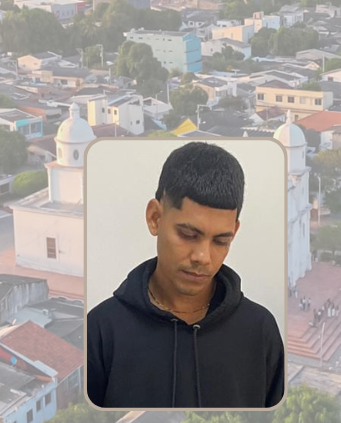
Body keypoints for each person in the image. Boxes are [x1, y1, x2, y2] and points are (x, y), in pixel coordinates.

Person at [87, 142, 285, 409]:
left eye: (221, 241)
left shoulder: (259, 330)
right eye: (188, 235)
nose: (203, 257)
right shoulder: (101, 330)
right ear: (155, 218)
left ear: (234, 232)